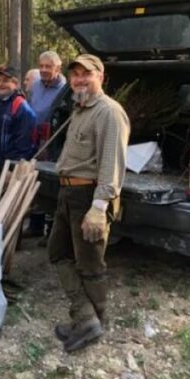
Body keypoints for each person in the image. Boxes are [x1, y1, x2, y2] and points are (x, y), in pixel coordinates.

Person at [48, 54, 129, 353]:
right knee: (57, 253)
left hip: (89, 197)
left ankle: (93, 322)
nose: (79, 79)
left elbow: (112, 163)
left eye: (86, 74)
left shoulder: (109, 112)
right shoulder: (80, 109)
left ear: (101, 76)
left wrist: (98, 208)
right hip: (68, 193)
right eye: (75, 75)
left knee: (90, 264)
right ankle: (86, 317)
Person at [25, 51, 67, 242]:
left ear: (57, 68)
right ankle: (35, 225)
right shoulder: (35, 85)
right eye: (41, 66)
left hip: (54, 141)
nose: (43, 70)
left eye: (48, 66)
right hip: (34, 139)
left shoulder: (65, 88)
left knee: (51, 184)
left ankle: (51, 232)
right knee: (34, 181)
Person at [0, 66, 36, 198]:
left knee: (8, 212)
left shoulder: (21, 107)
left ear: (15, 83)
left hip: (12, 171)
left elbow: (25, 144)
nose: (0, 84)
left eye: (5, 80)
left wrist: (12, 169)